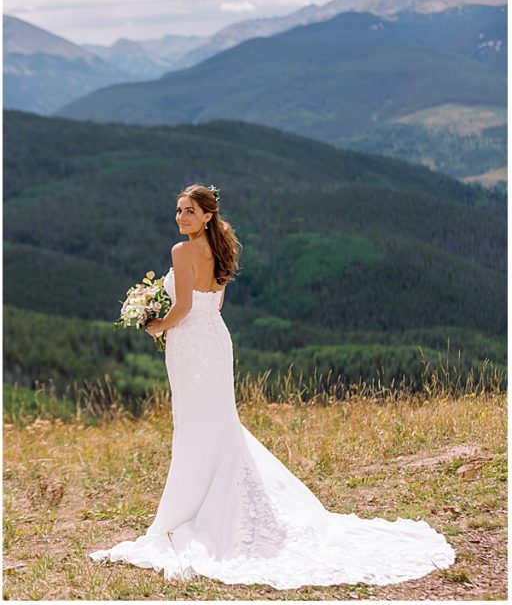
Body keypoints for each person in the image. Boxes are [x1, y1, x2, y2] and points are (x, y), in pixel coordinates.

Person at [89, 184, 454, 588]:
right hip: (215, 340)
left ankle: (189, 511)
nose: (181, 218)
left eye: (189, 211)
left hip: (191, 343)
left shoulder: (181, 252)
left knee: (195, 425)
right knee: (217, 422)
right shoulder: (221, 249)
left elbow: (185, 308)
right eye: (178, 211)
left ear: (207, 215)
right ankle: (207, 500)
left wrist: (157, 323)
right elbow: (216, 304)